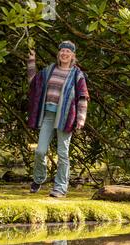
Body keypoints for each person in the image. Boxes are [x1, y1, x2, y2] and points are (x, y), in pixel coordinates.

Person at [27, 40, 89, 198]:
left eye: (68, 52)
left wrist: (81, 119)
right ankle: (39, 179)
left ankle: (60, 188)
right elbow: (33, 82)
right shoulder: (49, 70)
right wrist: (31, 60)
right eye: (62, 51)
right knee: (40, 151)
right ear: (58, 53)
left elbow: (83, 98)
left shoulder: (77, 74)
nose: (64, 54)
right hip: (48, 115)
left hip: (66, 117)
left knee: (63, 153)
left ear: (72, 55)